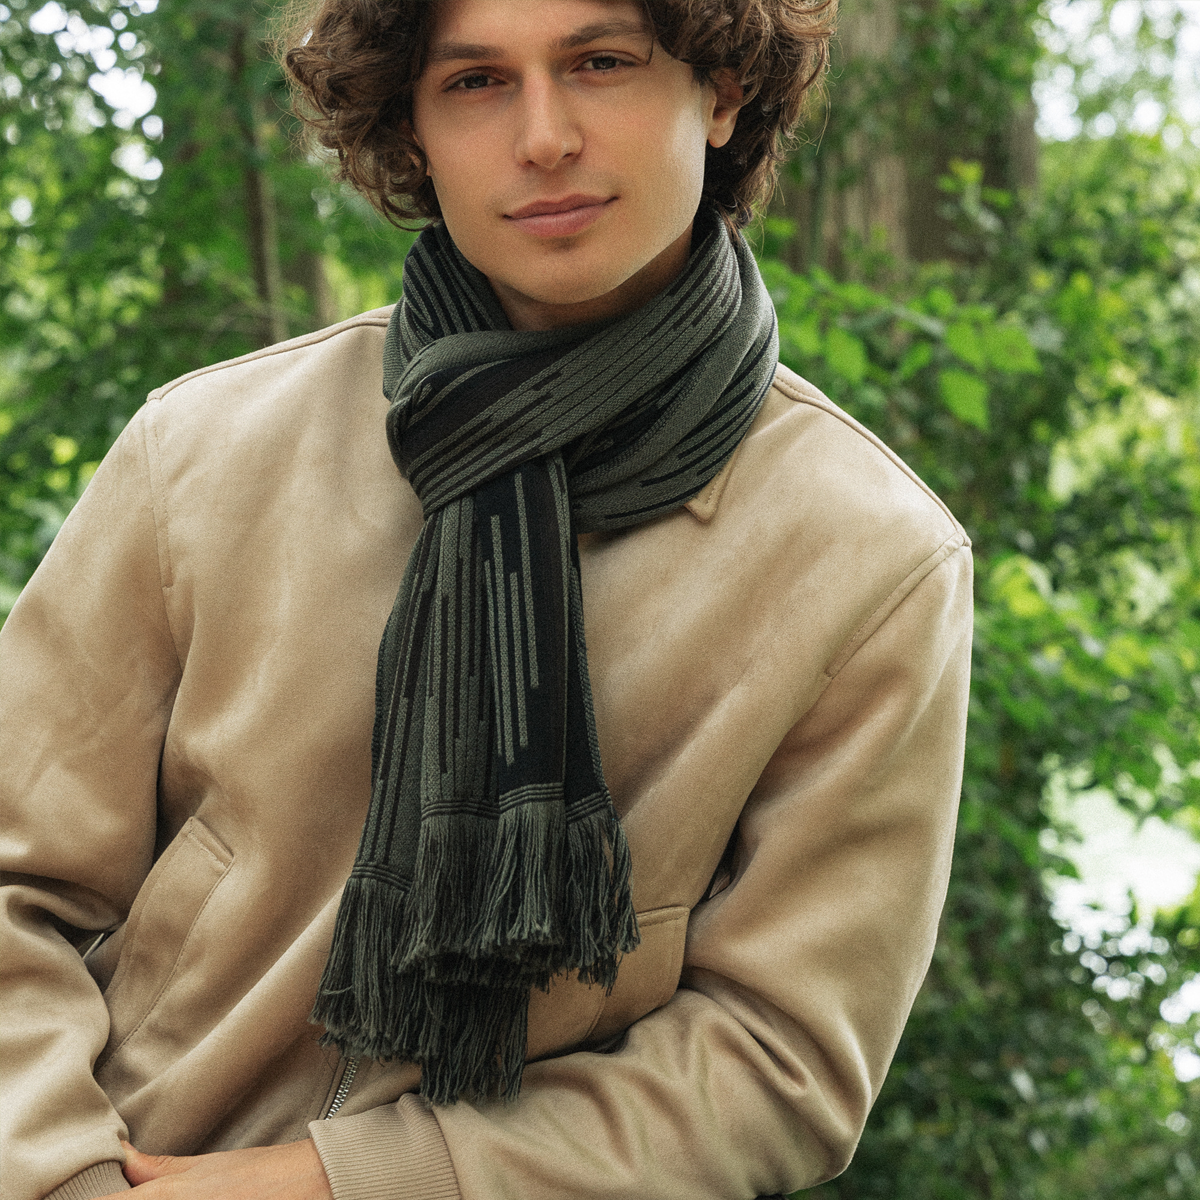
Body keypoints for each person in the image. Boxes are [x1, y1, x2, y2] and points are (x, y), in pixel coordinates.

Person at [0, 0, 973, 1197]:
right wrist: (62, 1177)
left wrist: (344, 1183)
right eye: (475, 82)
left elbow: (776, 1062)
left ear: (721, 92)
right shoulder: (203, 452)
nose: (544, 136)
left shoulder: (869, 557)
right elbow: (16, 883)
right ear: (412, 123)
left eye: (601, 63)